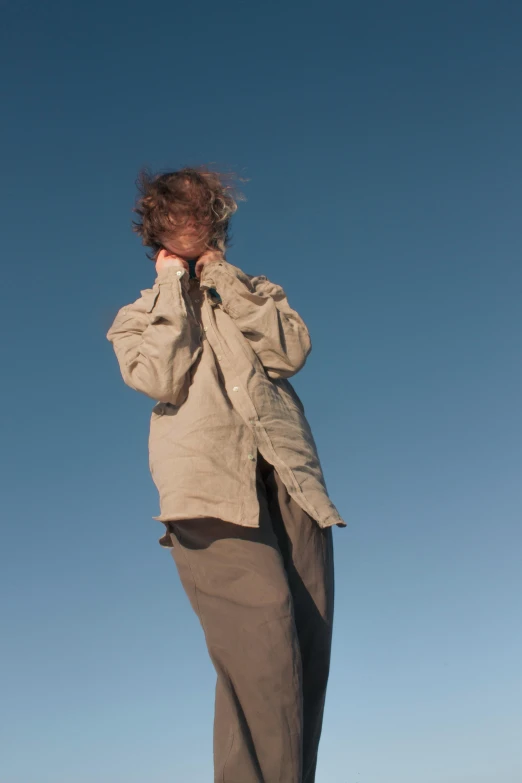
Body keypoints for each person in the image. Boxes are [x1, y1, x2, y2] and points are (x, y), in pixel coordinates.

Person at [106, 166, 346, 783]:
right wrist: (169, 285)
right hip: (209, 494)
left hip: (292, 484)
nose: (192, 223)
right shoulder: (136, 317)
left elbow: (288, 352)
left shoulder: (254, 290)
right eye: (178, 215)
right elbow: (158, 377)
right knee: (263, 650)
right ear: (156, 231)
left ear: (216, 222)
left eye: (202, 213)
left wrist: (220, 279)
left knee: (303, 664)